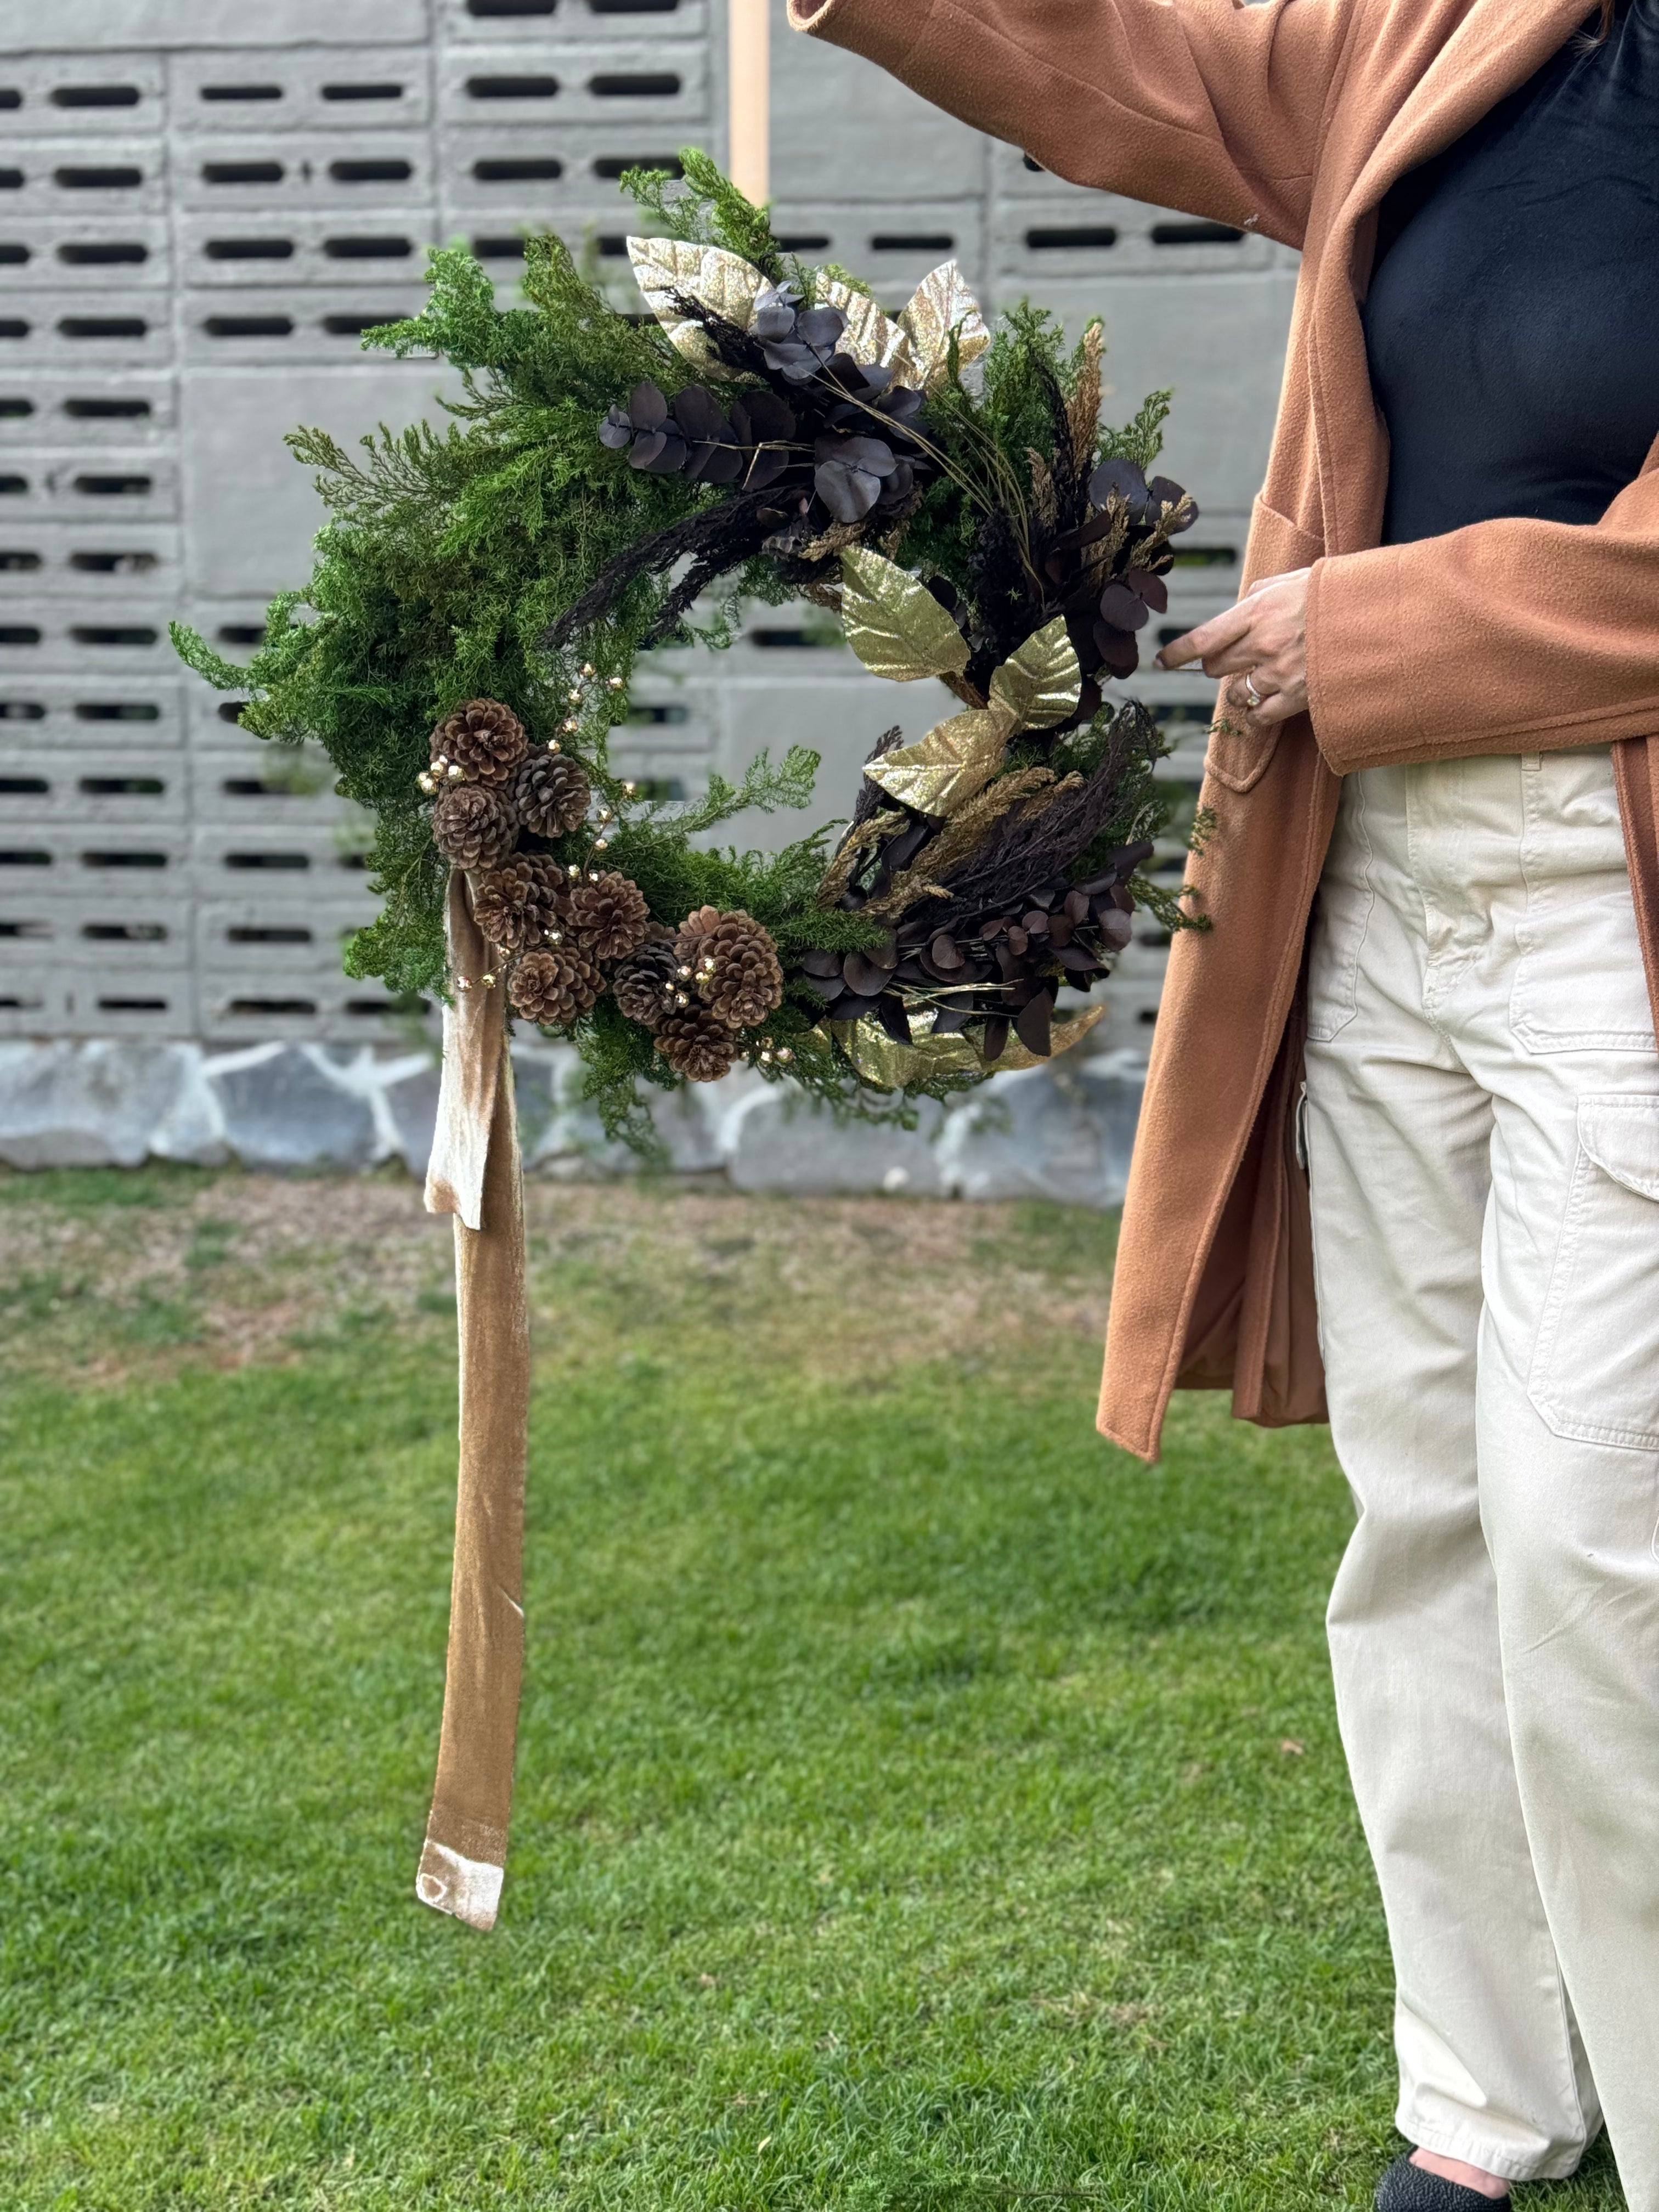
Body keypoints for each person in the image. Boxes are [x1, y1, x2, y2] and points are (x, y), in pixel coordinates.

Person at [786, 2, 1659, 2207]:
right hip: (1369, 883)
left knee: (1596, 1553)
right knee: (1429, 1516)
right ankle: (1486, 2095)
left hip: (1611, 896)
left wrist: (1362, 637)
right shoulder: (1437, 35)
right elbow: (1118, 49)